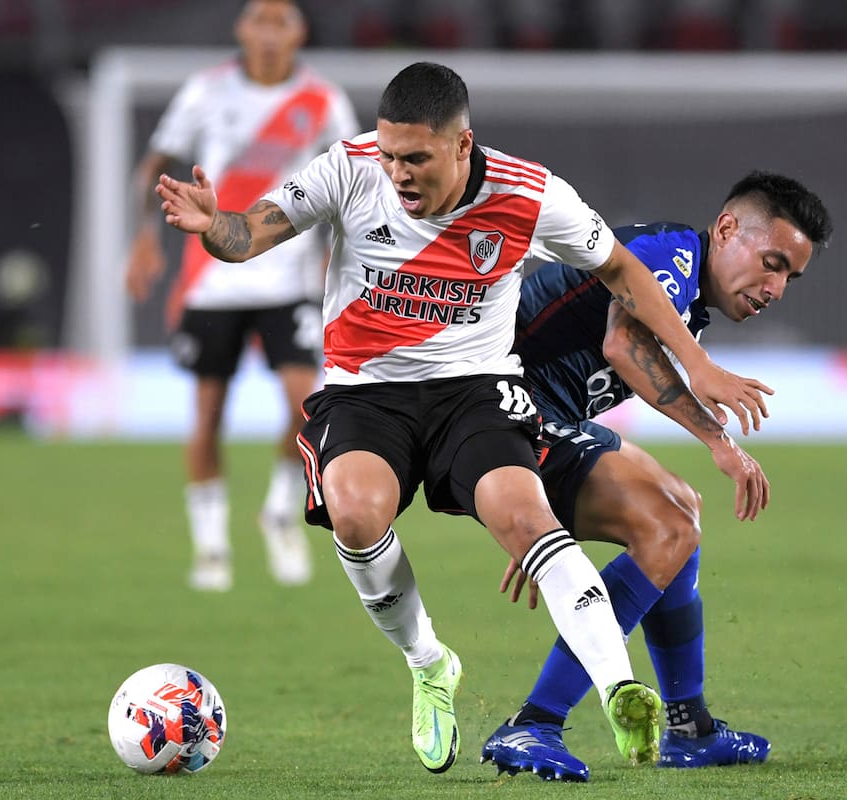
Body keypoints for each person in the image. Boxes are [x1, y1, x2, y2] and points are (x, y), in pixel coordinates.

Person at [155, 61, 776, 775]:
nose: (398, 174)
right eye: (390, 155)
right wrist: (213, 227)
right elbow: (247, 235)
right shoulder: (350, 167)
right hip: (367, 390)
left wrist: (697, 367)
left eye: (415, 158)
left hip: (475, 390)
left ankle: (620, 691)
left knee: (524, 513)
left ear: (462, 145)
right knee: (356, 514)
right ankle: (429, 663)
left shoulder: (530, 193)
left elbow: (622, 270)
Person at [481, 171, 833, 781]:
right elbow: (622, 344)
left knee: (678, 515)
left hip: (538, 417)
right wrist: (719, 439)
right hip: (503, 408)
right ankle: (534, 724)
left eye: (789, 278)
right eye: (771, 262)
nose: (775, 288)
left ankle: (689, 727)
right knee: (668, 523)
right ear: (725, 230)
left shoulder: (690, 301)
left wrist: (536, 509)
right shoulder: (673, 254)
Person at [124, 0, 359, 592]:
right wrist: (143, 240)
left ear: (300, 31)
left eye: (283, 21)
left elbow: (354, 185)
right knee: (208, 412)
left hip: (291, 280)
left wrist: (343, 257)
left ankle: (279, 510)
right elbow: (155, 165)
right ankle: (210, 546)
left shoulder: (324, 102)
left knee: (308, 407)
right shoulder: (206, 92)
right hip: (213, 278)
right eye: (261, 19)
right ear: (242, 29)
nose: (271, 33)